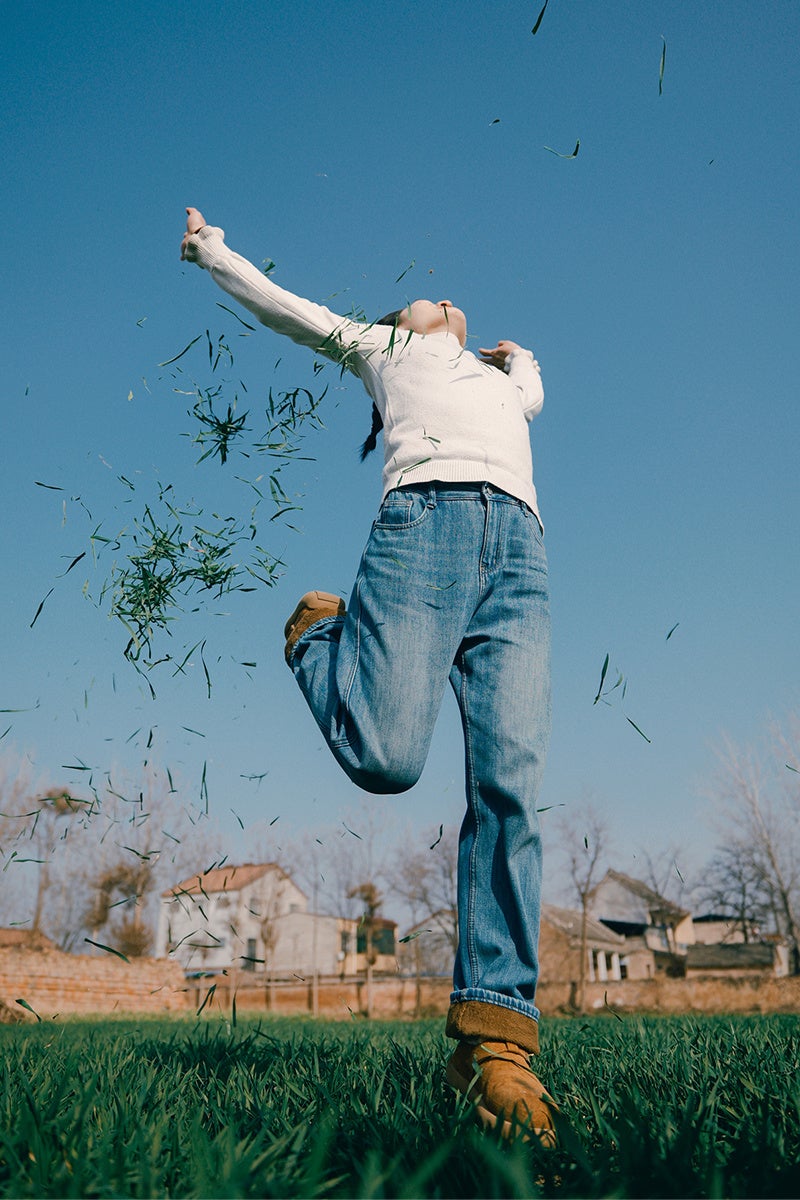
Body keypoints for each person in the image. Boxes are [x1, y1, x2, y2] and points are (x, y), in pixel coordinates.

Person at [181, 207, 557, 1142]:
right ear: (401, 327)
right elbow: (284, 308)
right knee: (387, 758)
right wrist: (214, 251)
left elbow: (536, 398)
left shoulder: (501, 386)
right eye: (430, 298)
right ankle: (318, 643)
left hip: (522, 554)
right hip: (421, 531)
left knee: (512, 784)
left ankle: (496, 1041)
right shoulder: (386, 350)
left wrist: (524, 362)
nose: (446, 295)